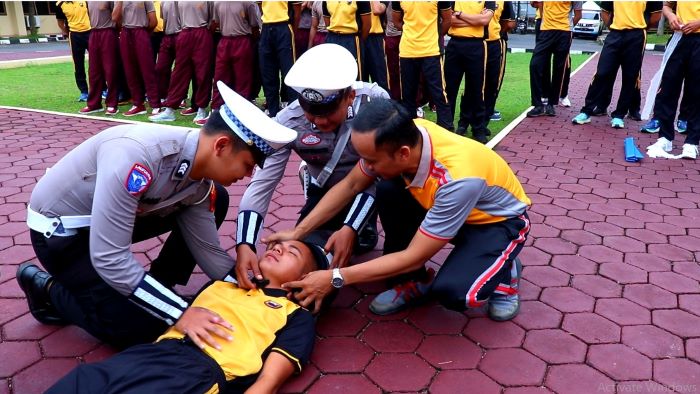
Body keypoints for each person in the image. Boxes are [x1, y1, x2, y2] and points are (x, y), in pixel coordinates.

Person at [16, 82, 297, 349]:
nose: (248, 176)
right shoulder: (136, 159)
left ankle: (159, 284)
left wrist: (246, 285)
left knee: (217, 198)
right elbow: (110, 258)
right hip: (63, 237)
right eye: (247, 165)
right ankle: (46, 288)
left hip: (109, 224)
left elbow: (206, 248)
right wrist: (180, 313)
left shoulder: (198, 177)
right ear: (221, 146)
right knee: (138, 329)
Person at [267, 99, 531, 322]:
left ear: (403, 154)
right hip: (446, 208)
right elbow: (351, 184)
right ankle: (416, 281)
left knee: (456, 293)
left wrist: (336, 278)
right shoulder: (404, 134)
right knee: (388, 189)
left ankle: (505, 268)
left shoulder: (457, 179)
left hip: (495, 222)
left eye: (371, 160)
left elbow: (414, 255)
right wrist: (298, 231)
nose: (366, 166)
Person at [46, 239, 330, 394]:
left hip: (198, 372)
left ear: (306, 278)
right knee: (82, 381)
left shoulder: (295, 315)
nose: (277, 248)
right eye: (274, 246)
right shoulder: (223, 284)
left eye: (291, 251)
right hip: (150, 353)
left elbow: (270, 381)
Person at [234, 43, 389, 291]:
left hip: (373, 184)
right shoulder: (288, 122)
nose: (319, 121)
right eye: (311, 113)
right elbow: (262, 185)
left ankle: (365, 226)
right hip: (327, 189)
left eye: (328, 112)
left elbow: (382, 173)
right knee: (307, 246)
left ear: (349, 96)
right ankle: (313, 184)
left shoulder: (375, 104)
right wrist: (245, 243)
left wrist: (351, 227)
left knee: (375, 211)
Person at [572, 2, 662, 129]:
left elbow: (656, 16)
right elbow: (605, 11)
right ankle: (586, 111)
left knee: (630, 77)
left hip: (636, 36)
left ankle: (619, 115)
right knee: (602, 73)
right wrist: (613, 26)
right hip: (615, 34)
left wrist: (640, 27)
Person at [645, 1, 700, 160]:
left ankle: (692, 141)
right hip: (679, 39)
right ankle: (665, 138)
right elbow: (667, 5)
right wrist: (671, 16)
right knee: (668, 89)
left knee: (696, 93)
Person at [149, 1, 215, 125]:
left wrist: (204, 34)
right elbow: (177, 17)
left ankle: (201, 109)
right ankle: (170, 109)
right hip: (184, 33)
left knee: (203, 73)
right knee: (179, 72)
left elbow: (212, 20)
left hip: (202, 32)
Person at [392, 1, 454, 131]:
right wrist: (412, 32)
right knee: (408, 96)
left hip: (431, 51)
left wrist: (433, 37)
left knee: (439, 94)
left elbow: (447, 20)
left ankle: (446, 129)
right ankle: (410, 131)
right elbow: (396, 21)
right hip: (407, 51)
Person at [444, 2, 496, 143]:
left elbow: (484, 21)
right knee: (449, 90)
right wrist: (475, 20)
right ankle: (446, 127)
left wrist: (460, 14)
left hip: (476, 46)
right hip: (454, 45)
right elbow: (449, 20)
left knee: (476, 89)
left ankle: (478, 128)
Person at [527, 1, 582, 117]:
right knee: (535, 65)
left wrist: (568, 28)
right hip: (546, 31)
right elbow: (537, 5)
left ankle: (551, 104)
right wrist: (544, 22)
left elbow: (578, 15)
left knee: (559, 68)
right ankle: (537, 105)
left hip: (564, 32)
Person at [112, 1, 162, 117]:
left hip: (141, 32)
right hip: (125, 32)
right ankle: (138, 103)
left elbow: (153, 21)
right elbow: (115, 18)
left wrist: (143, 34)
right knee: (130, 71)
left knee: (147, 69)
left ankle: (155, 104)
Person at [210, 1, 260, 111]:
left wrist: (252, 42)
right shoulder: (218, 3)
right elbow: (216, 22)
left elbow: (254, 26)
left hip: (242, 40)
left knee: (243, 79)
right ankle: (216, 109)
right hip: (225, 40)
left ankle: (240, 111)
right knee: (220, 77)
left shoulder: (248, 3)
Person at [258, 1, 301, 117]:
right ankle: (273, 112)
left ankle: (294, 112)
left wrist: (291, 32)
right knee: (267, 72)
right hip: (266, 27)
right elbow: (260, 7)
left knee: (289, 71)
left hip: (284, 27)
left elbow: (297, 11)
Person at [79, 1, 120, 115]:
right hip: (94, 33)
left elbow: (118, 18)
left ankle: (112, 104)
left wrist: (113, 32)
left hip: (108, 32)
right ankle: (94, 104)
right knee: (93, 71)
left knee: (110, 70)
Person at [322, 0, 371, 76]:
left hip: (351, 39)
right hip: (332, 38)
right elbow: (327, 22)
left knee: (353, 74)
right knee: (332, 72)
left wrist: (359, 41)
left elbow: (367, 25)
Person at [56, 1, 91, 102]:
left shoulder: (85, 1)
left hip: (89, 33)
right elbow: (60, 22)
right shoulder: (60, 4)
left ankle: (103, 89)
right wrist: (68, 32)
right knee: (78, 65)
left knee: (96, 63)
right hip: (74, 36)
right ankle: (84, 92)